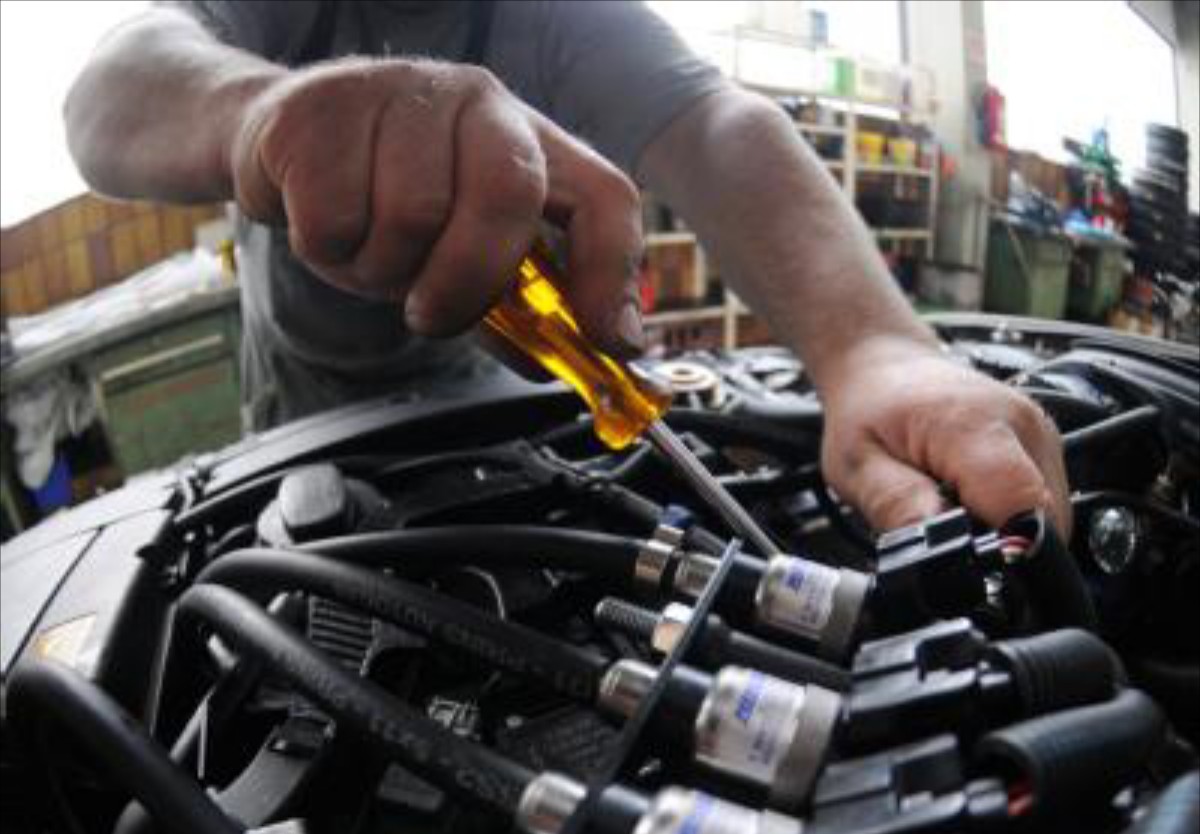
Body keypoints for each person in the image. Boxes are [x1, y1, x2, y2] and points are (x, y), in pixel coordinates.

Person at [64, 0, 1070, 537]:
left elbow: (718, 126)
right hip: (304, 444)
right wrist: (252, 113)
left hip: (505, 432)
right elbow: (108, 87)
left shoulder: (557, 15)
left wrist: (875, 348)